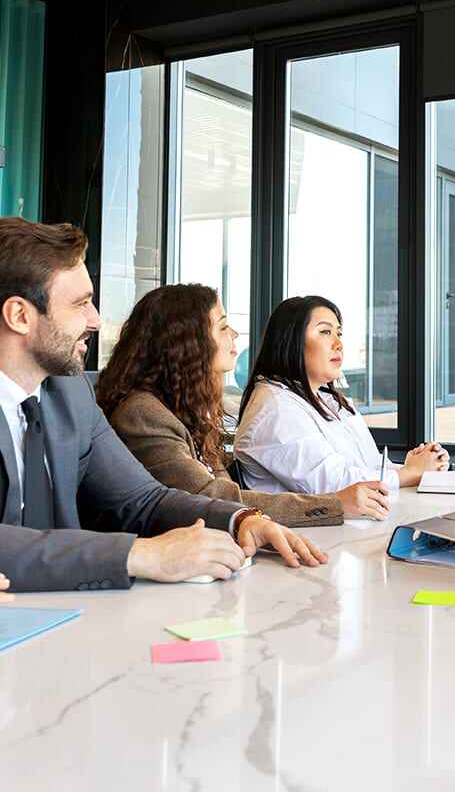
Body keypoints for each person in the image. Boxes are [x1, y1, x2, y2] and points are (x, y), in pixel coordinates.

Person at [0, 218, 328, 592]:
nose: (94, 320)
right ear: (20, 316)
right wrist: (139, 554)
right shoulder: (129, 407)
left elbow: (143, 499)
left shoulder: (70, 394)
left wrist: (241, 520)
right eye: (80, 304)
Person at [97, 284, 391, 526]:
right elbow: (212, 498)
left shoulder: (186, 411)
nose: (235, 335)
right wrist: (333, 503)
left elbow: (223, 489)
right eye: (223, 327)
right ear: (185, 342)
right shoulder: (143, 415)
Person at [235, 296, 450, 495]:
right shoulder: (275, 409)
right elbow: (333, 483)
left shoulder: (330, 400)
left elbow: (368, 466)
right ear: (291, 341)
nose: (338, 344)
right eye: (325, 332)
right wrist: (409, 474)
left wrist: (420, 465)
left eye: (339, 333)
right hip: (316, 534)